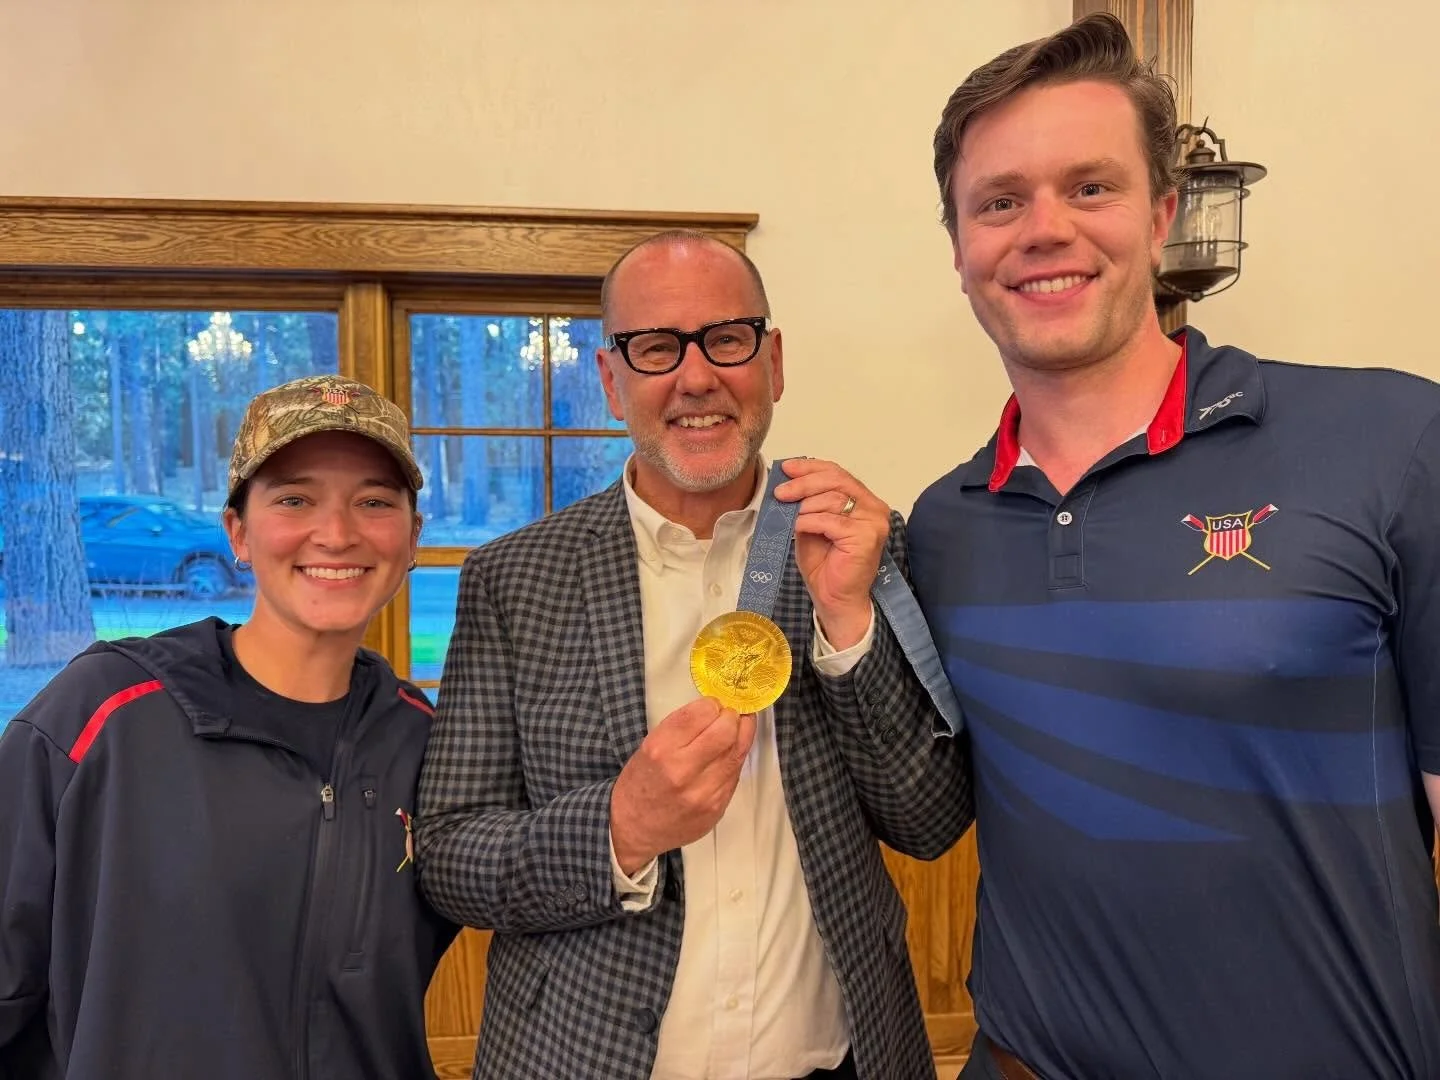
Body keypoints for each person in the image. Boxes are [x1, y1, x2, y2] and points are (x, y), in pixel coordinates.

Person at [910, 13, 1440, 1079]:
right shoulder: (943, 525)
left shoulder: (1391, 440)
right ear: (960, 249)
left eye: (1089, 187)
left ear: (1161, 217)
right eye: (999, 201)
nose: (1044, 229)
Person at [414, 230, 972, 1080]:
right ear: (611, 380)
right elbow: (450, 857)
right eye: (655, 347)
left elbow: (928, 825)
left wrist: (847, 624)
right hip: (583, 1064)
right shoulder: (515, 579)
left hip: (843, 1061)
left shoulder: (860, 545)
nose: (697, 376)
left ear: (773, 363)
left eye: (727, 338)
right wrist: (620, 827)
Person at [0, 375, 456, 1080]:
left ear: (413, 536)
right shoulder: (104, 713)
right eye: (294, 500)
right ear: (238, 532)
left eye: (373, 501)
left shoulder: (425, 741)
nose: (337, 534)